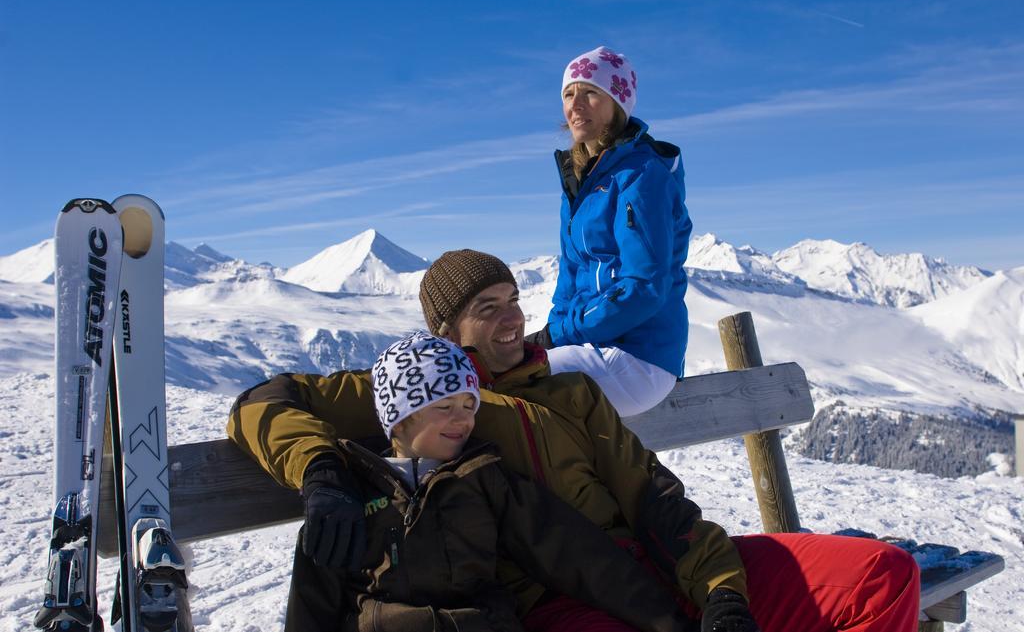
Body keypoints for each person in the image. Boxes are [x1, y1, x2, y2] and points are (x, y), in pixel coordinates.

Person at [227, 248, 921, 632]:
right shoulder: (424, 391)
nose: (511, 321)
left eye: (513, 299)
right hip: (561, 602)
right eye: (485, 308)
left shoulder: (569, 389)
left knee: (883, 578)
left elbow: (658, 501)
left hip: (660, 574)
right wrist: (320, 474)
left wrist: (721, 592)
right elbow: (261, 403)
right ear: (447, 331)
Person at [313, 330, 689, 631]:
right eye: (445, 407)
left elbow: (573, 553)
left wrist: (668, 621)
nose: (463, 421)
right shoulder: (352, 493)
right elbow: (314, 601)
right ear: (400, 418)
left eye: (469, 406)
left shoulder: (483, 478)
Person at [530, 46, 692, 417]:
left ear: (617, 104)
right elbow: (571, 276)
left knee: (511, 390)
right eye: (569, 94)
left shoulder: (641, 175)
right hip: (597, 346)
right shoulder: (579, 182)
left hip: (641, 356)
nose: (576, 105)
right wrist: (551, 335)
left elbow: (644, 287)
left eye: (591, 92)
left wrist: (559, 336)